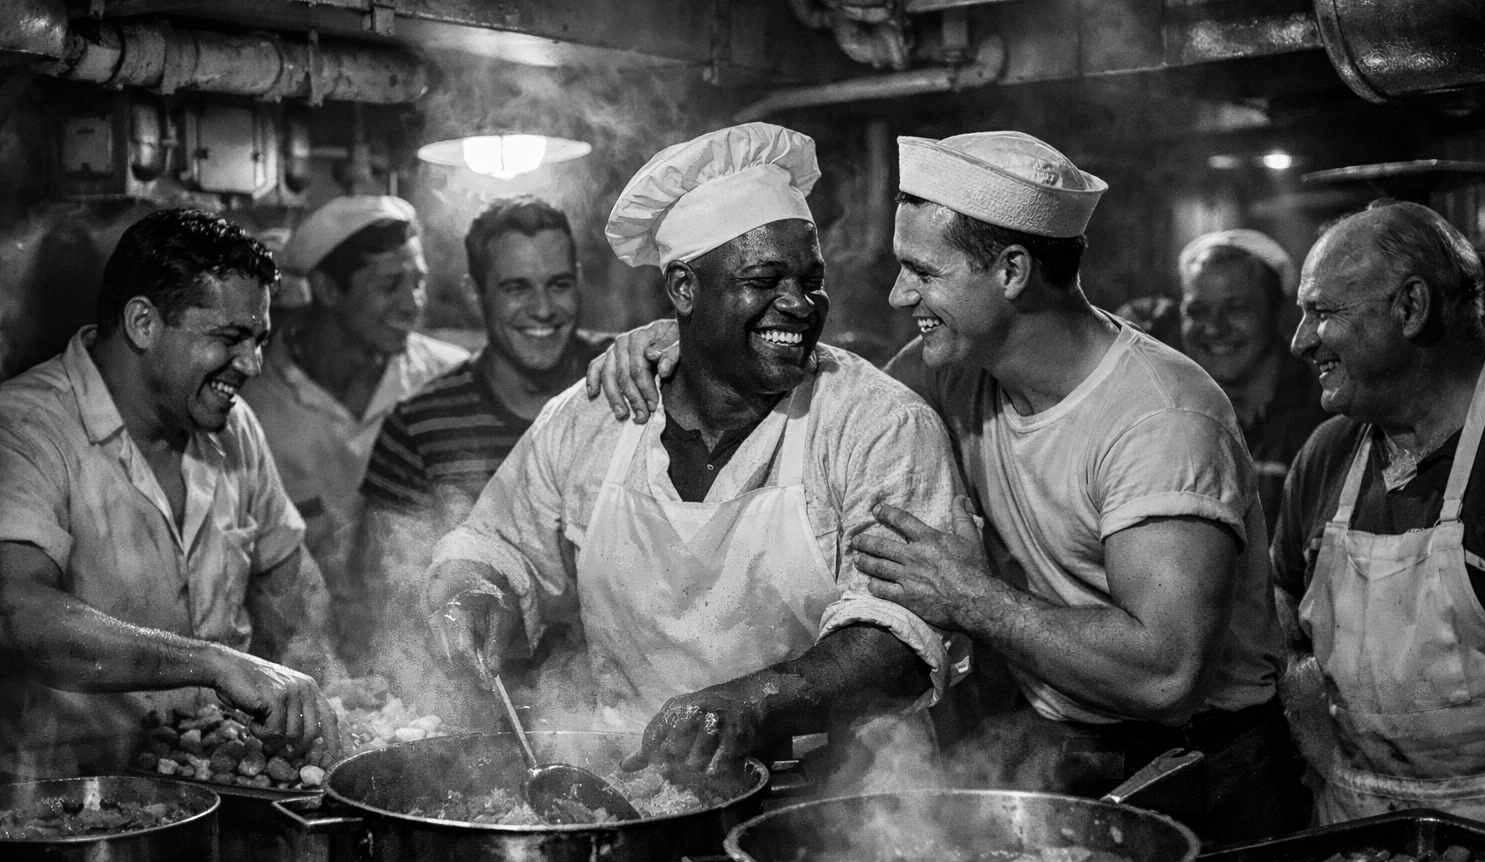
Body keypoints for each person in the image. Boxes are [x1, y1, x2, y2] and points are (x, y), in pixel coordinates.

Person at [590, 132, 1308, 843]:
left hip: (1201, 780)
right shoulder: (958, 367)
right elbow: (828, 382)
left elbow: (1165, 674)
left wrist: (967, 596)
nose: (901, 295)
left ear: (1013, 272)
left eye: (923, 272)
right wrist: (690, 339)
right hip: (1068, 750)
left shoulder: (1160, 420)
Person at [426, 124, 967, 776]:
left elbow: (900, 633)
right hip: (637, 795)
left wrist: (752, 703)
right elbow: (491, 546)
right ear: (684, 288)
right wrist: (472, 592)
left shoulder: (878, 425)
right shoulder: (593, 418)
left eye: (810, 279)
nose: (798, 304)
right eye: (764, 279)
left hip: (838, 806)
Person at [0, 209, 339, 780]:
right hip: (60, 798)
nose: (253, 364)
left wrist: (329, 692)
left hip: (218, 784)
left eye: (259, 340)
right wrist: (211, 663)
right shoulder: (25, 428)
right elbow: (17, 613)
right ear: (142, 323)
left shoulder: (235, 428)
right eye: (231, 338)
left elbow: (291, 585)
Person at [1273, 199, 1485, 831]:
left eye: (1321, 313)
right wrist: (1325, 750)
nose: (1301, 341)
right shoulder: (1328, 453)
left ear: (1410, 308)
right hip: (1352, 834)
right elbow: (1281, 619)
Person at [240, 196, 468, 608]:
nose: (412, 302)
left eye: (418, 282)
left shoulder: (448, 380)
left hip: (418, 641)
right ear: (328, 289)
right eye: (390, 285)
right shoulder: (251, 403)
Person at [360, 196, 609, 534]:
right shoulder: (417, 426)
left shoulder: (628, 373)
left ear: (578, 282)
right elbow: (385, 578)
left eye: (559, 285)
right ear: (475, 296)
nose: (543, 308)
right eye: (516, 288)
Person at [1179, 229, 1328, 536]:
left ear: (1279, 314)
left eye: (1236, 308)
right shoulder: (1172, 411)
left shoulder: (1323, 405)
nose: (1213, 327)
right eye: (1197, 310)